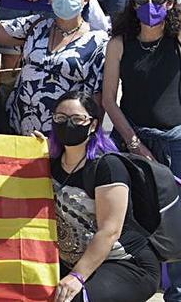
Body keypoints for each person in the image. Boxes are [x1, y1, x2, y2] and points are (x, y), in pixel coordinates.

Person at [102, 0, 181, 301]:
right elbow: (108, 99)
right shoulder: (119, 43)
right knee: (136, 217)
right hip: (131, 140)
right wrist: (134, 143)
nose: (150, 6)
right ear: (132, 4)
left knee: (177, 220)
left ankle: (176, 291)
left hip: (176, 141)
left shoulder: (177, 39)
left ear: (170, 2)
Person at [49, 91, 160, 302]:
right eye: (60, 118)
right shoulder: (50, 162)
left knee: (73, 299)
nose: (68, 124)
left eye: (77, 119)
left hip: (126, 262)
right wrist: (30, 150)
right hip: (76, 261)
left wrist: (76, 276)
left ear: (92, 125)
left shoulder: (107, 166)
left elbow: (110, 231)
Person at [0, 0, 109, 135]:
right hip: (16, 126)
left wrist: (92, 135)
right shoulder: (37, 25)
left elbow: (98, 96)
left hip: (63, 135)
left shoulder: (98, 41)